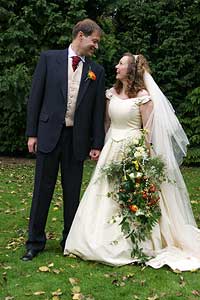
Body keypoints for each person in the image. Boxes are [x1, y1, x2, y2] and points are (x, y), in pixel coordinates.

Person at [64, 53, 200, 271]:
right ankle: (93, 240)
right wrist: (100, 147)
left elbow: (148, 131)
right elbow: (107, 123)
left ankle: (135, 242)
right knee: (103, 192)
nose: (116, 66)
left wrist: (143, 157)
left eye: (121, 64)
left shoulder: (144, 97)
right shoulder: (111, 93)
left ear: (131, 70)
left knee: (130, 194)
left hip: (133, 149)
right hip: (111, 147)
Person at [21, 19, 105, 261]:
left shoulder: (96, 71)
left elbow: (97, 112)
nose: (95, 47)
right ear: (81, 35)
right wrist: (32, 133)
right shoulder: (49, 58)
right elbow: (35, 97)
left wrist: (96, 143)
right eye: (94, 41)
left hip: (76, 140)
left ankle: (70, 240)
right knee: (41, 191)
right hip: (48, 135)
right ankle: (34, 242)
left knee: (72, 192)